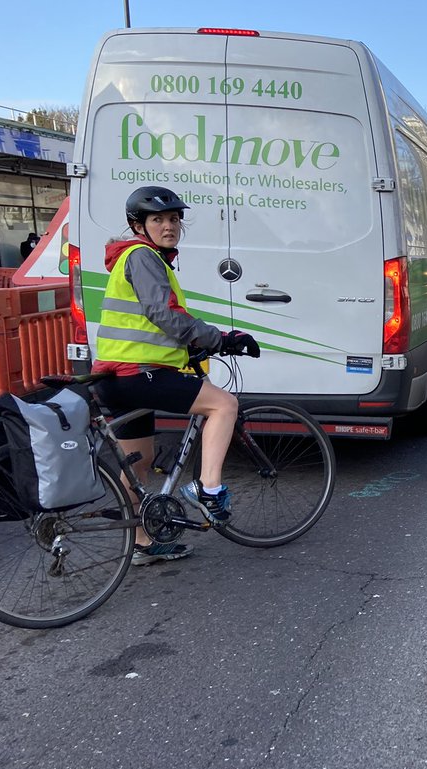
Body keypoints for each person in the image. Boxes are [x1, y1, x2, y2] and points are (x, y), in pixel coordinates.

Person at [92, 186, 260, 565]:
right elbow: (162, 314)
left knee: (138, 462)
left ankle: (141, 542)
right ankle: (208, 488)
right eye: (158, 219)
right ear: (139, 225)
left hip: (115, 375)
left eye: (174, 219)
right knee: (224, 405)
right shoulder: (143, 256)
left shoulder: (133, 258)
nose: (169, 226)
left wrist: (191, 346)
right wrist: (219, 339)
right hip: (140, 374)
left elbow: (151, 323)